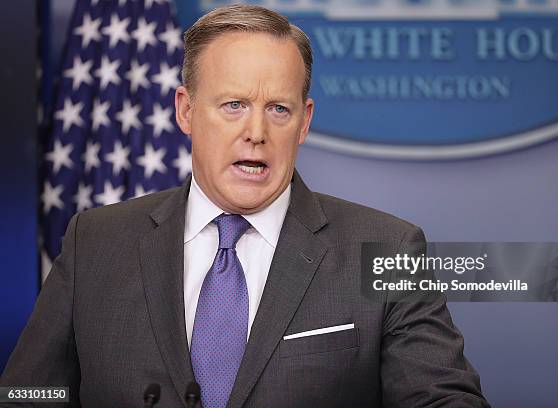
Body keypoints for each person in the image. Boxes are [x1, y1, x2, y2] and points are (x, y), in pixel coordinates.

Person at [1, 5, 489, 407]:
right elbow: (28, 394)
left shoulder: (388, 248)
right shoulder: (96, 242)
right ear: (186, 111)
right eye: (233, 105)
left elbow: (444, 400)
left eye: (278, 108)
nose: (256, 132)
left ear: (304, 121)